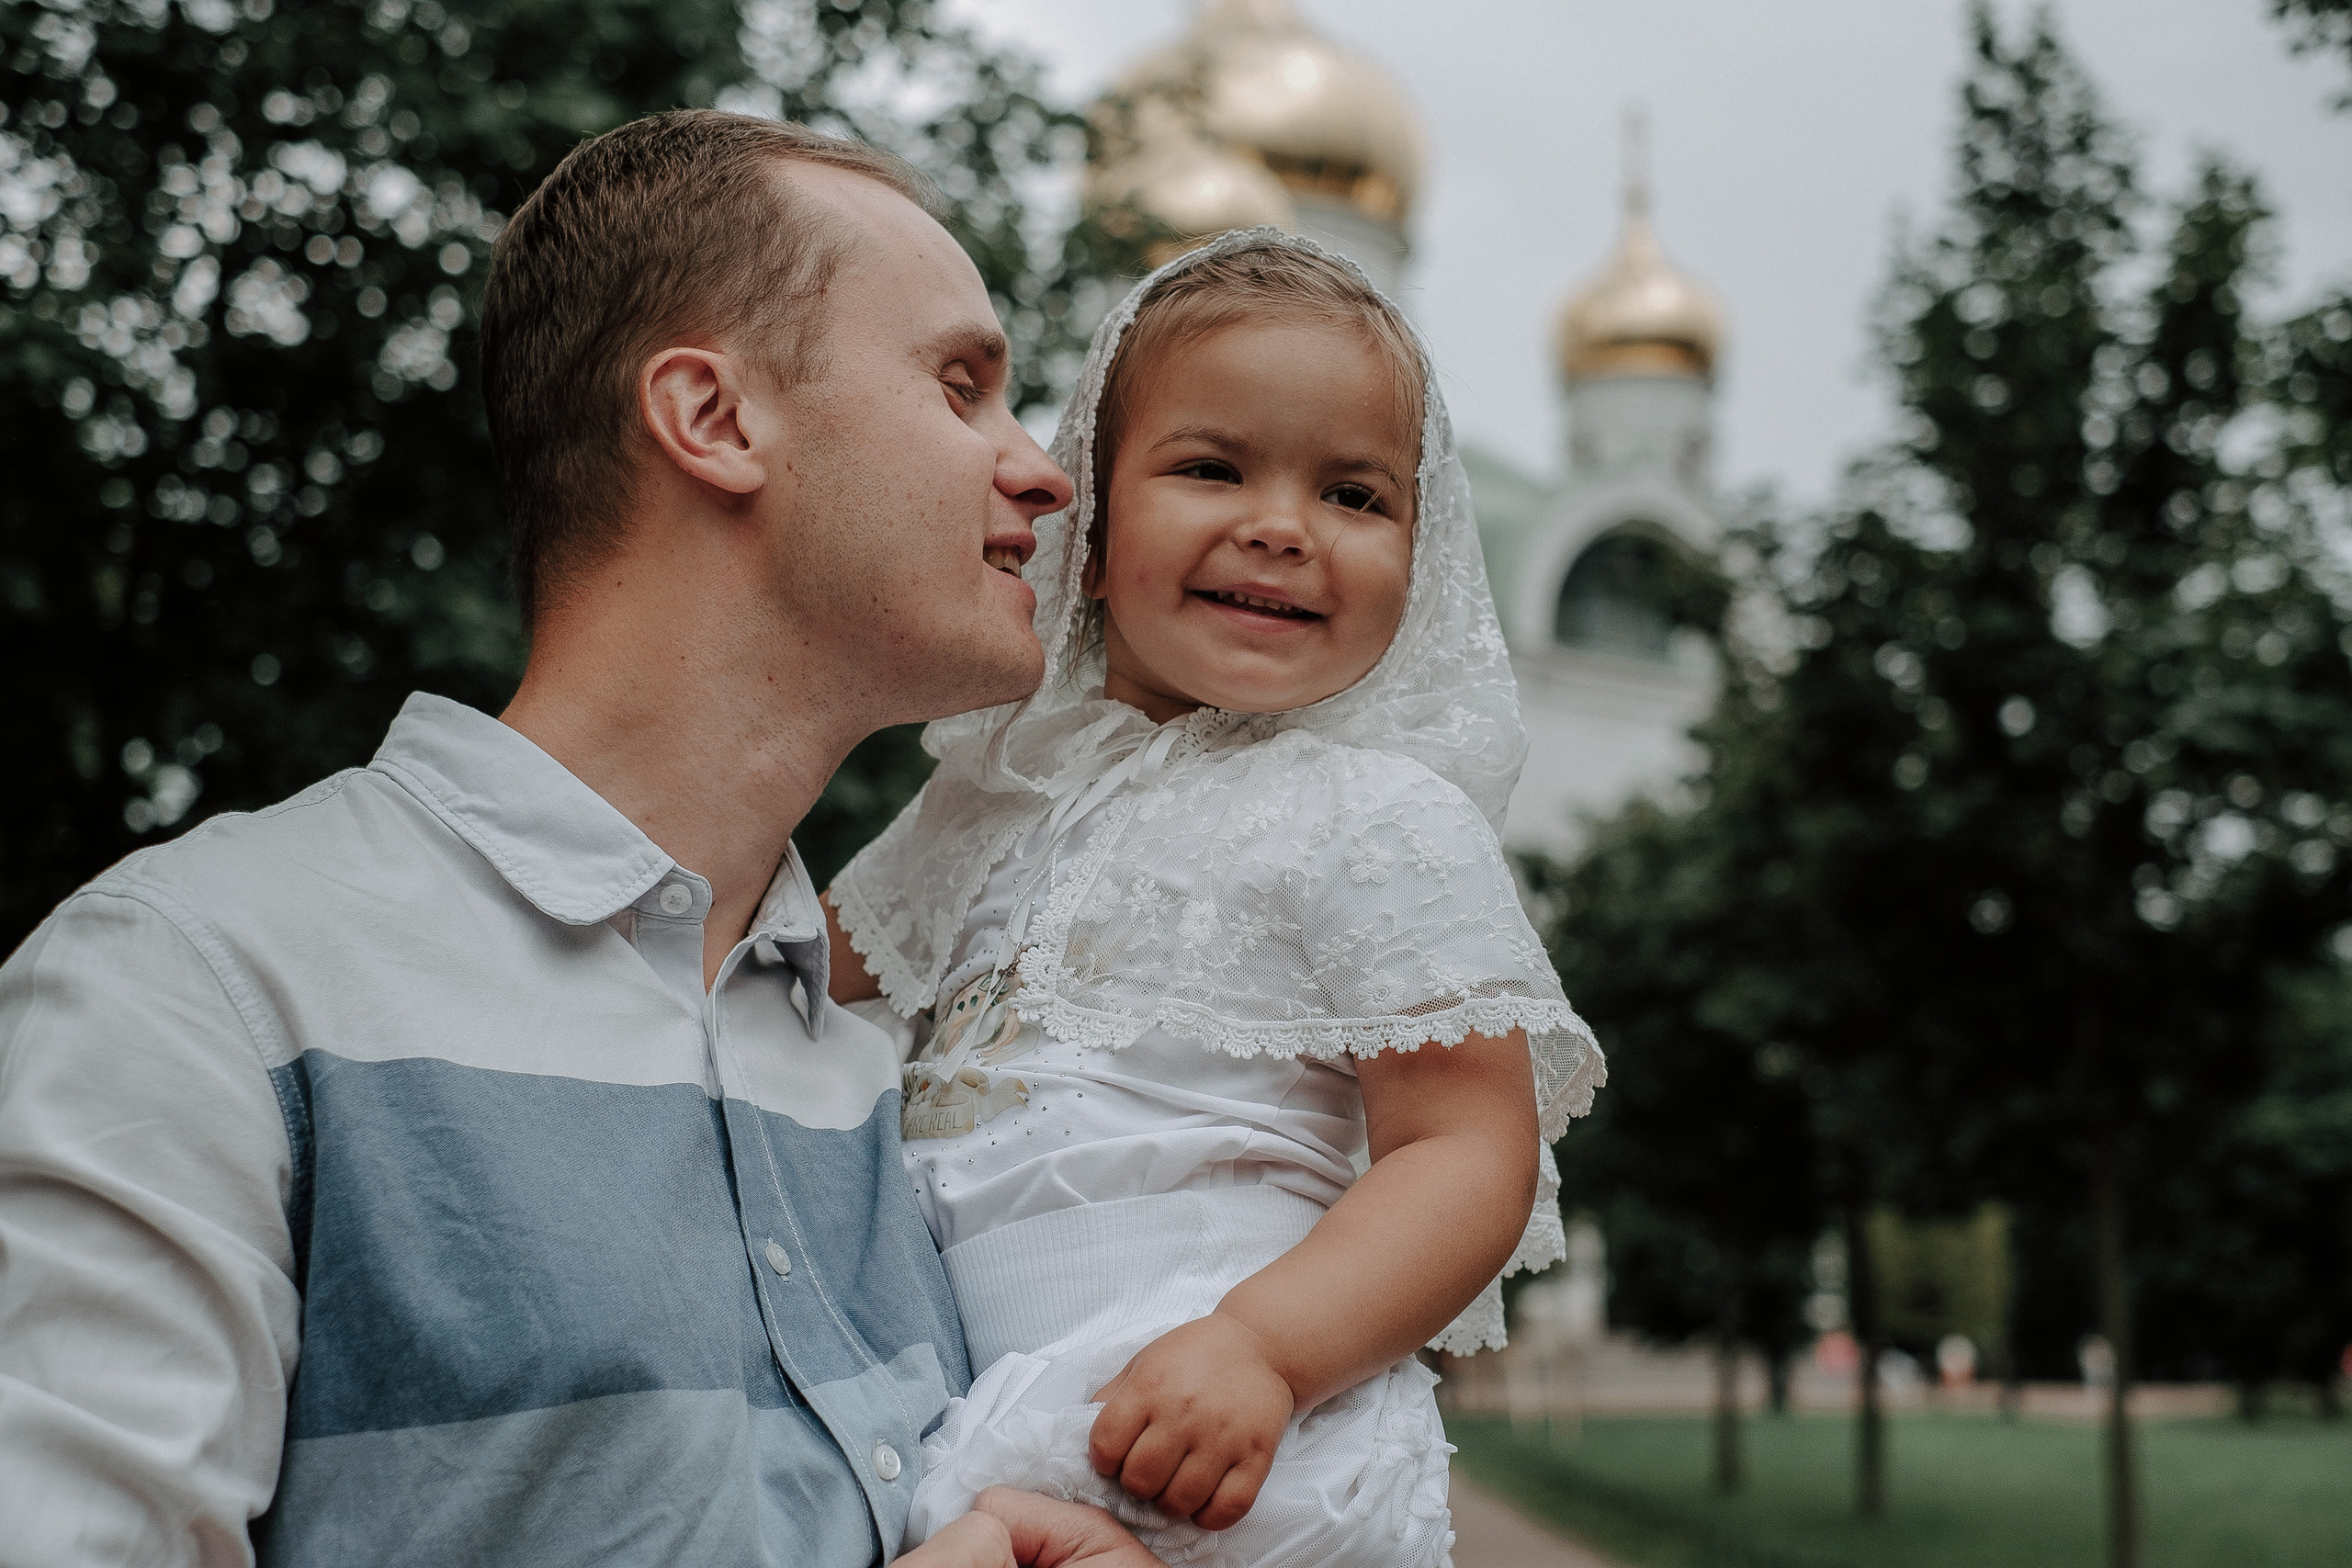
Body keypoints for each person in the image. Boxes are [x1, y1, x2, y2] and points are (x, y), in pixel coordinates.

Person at [0, 111, 1157, 1568]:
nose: (1045, 474)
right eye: (962, 386)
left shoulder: (901, 1067)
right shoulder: (196, 983)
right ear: (713, 418)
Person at [824, 231, 1607, 1566]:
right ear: (1091, 522)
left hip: (1239, 1430)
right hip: (979, 1403)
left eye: (1354, 495)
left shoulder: (1377, 816)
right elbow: (789, 972)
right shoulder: (986, 800)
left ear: (1421, 556)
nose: (1282, 528)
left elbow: (1466, 1149)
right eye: (1212, 469)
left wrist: (1266, 1349)